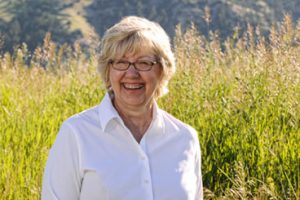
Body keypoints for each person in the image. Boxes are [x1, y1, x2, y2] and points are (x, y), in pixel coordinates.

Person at [42, 16, 203, 200]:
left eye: (144, 63)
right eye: (121, 62)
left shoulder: (185, 138)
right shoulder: (77, 133)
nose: (132, 74)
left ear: (163, 70)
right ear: (108, 70)